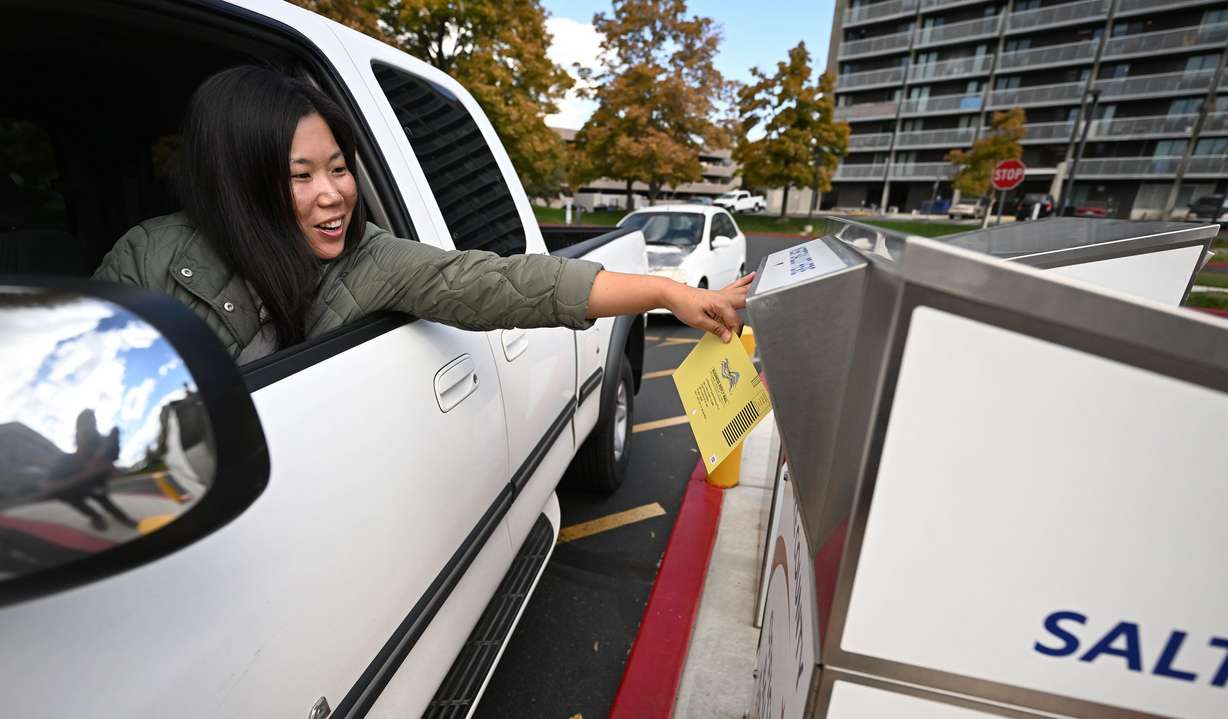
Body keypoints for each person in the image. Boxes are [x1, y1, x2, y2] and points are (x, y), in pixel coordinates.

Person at [93, 66, 752, 361]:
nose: (333, 195)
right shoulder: (147, 258)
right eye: (300, 176)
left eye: (340, 167)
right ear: (239, 183)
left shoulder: (372, 258)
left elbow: (503, 282)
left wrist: (666, 292)